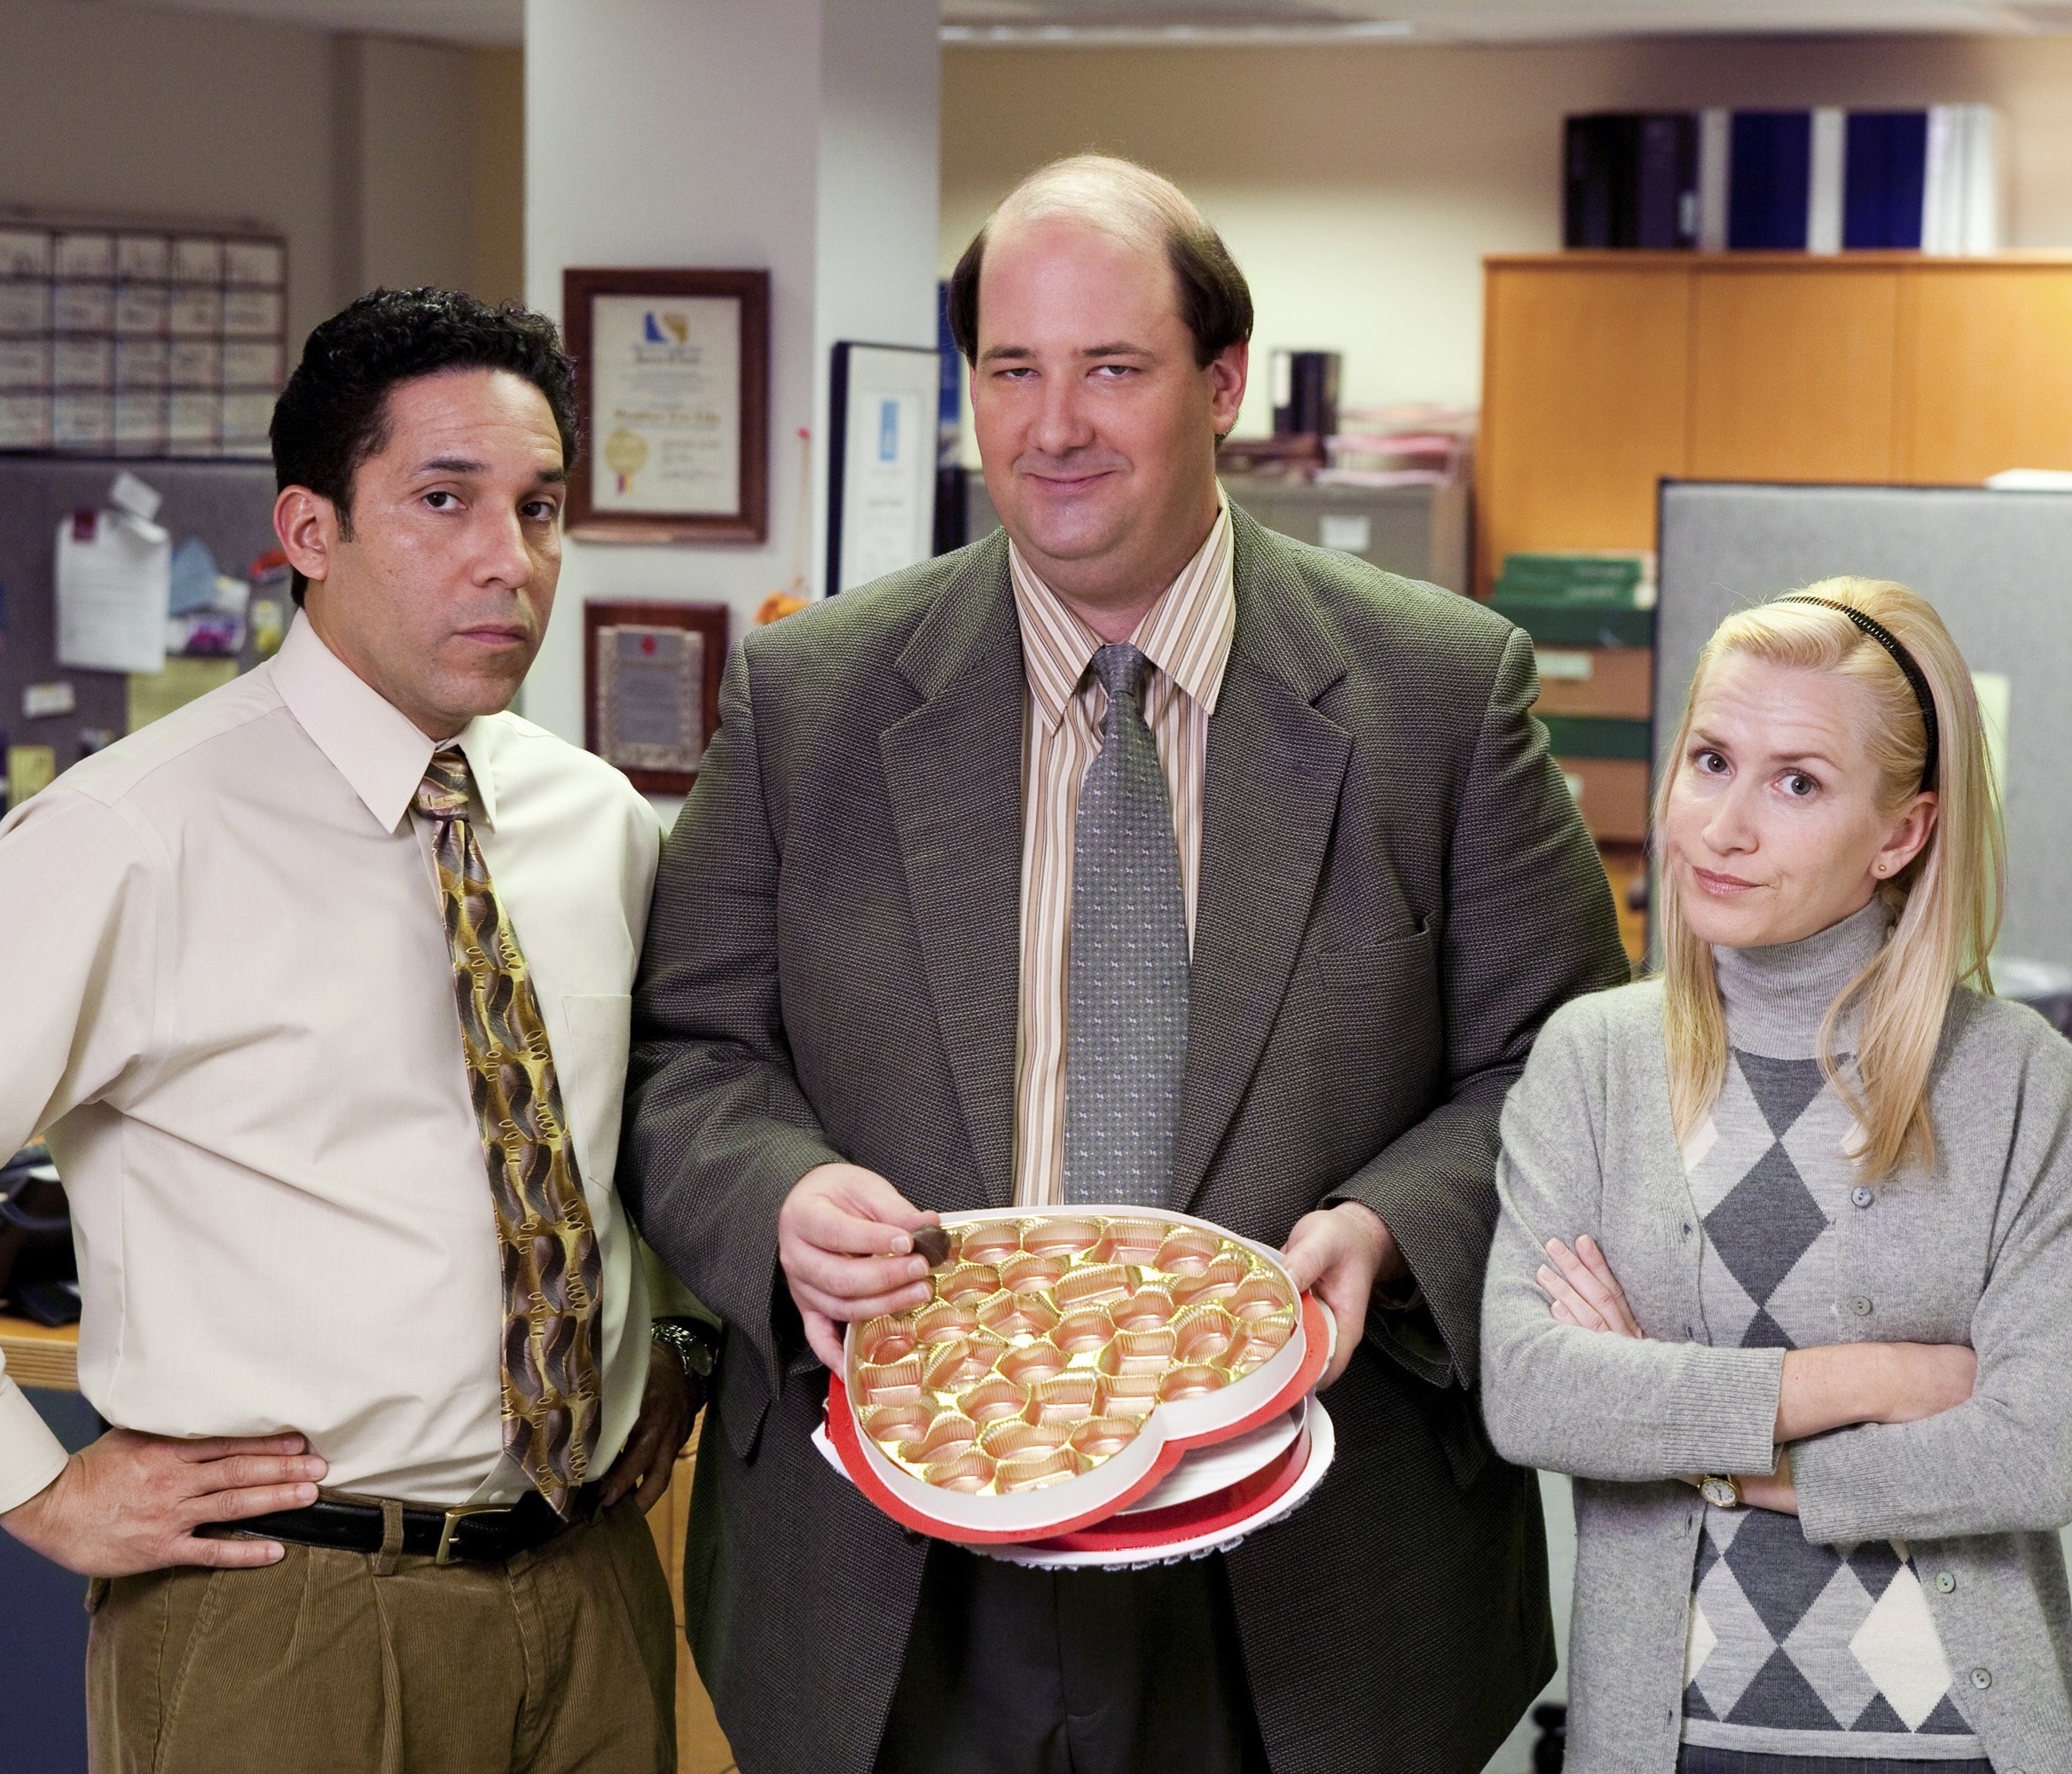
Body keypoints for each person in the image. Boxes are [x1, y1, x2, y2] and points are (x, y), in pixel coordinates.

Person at [624, 155, 1627, 1774]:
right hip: (898, 1552)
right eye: (1012, 371)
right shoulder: (812, 699)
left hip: (1304, 1561)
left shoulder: (1438, 699)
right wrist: (778, 1204)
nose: (1054, 424)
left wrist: (1388, 1230)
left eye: (1113, 368)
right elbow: (688, 1055)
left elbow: (1568, 1074)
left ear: (1222, 383)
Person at [0, 288, 716, 1774]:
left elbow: (637, 1128)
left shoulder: (594, 822)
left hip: (588, 1589)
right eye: (442, 501)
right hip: (287, 1616)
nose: (507, 562)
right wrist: (27, 1485)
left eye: (540, 507)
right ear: (310, 532)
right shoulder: (133, 832)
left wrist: (684, 1337)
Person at [1479, 578, 2072, 1774]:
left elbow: (2036, 1452)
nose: (1724, 826)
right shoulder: (1595, 1064)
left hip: (1949, 1737)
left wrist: (1682, 1428)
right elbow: (1530, 1394)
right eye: (1711, 759)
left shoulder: (2024, 1089)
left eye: (1799, 783)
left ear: (1903, 833)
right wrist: (1873, 1378)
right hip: (1666, 1735)